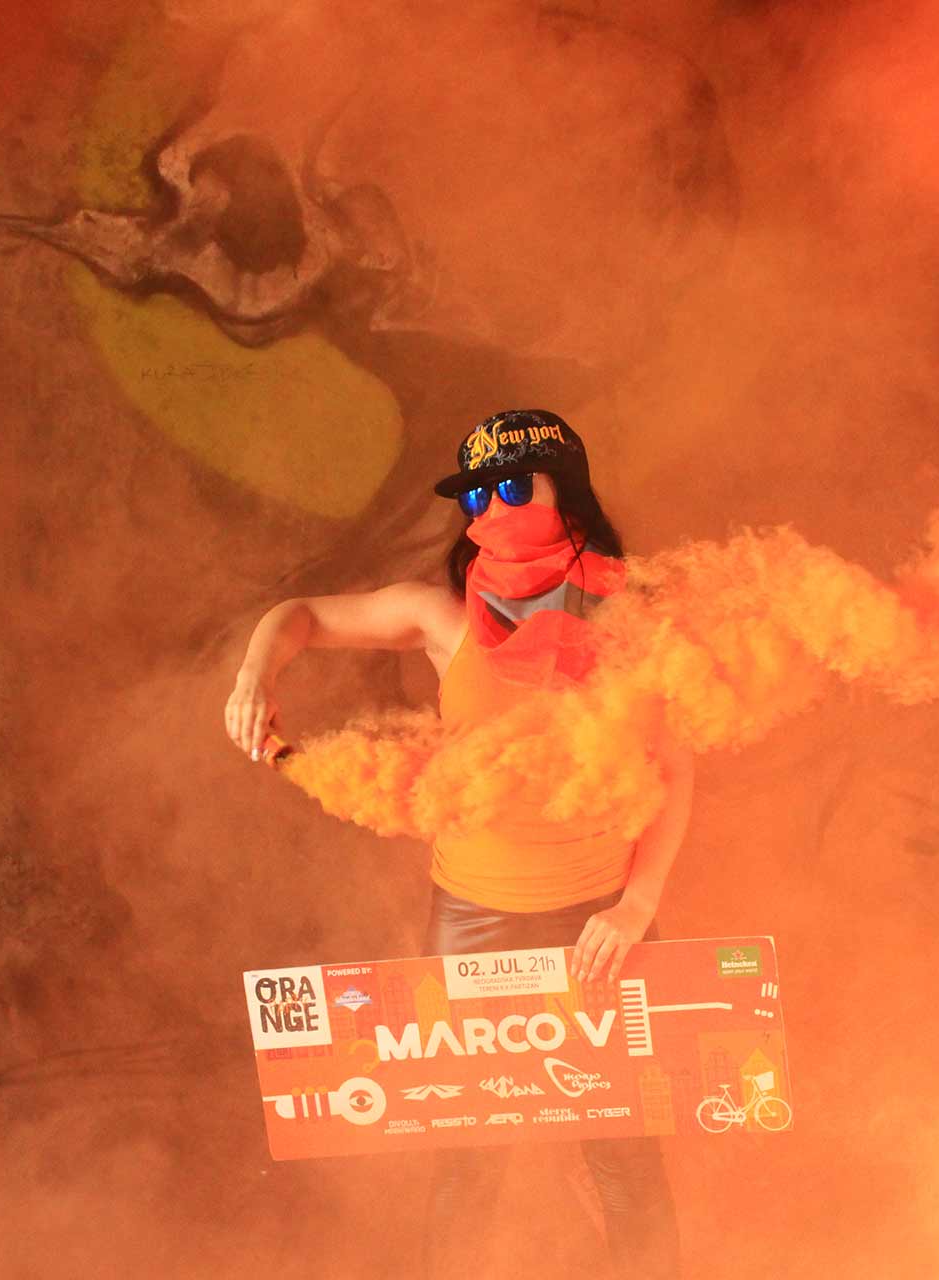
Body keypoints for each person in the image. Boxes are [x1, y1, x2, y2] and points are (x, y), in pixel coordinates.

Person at [225, 409, 692, 1278]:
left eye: (513, 487)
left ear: (566, 493)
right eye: (478, 497)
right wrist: (257, 674)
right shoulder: (442, 617)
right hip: (475, 921)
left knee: (625, 1150)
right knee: (471, 1154)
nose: (493, 510)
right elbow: (298, 616)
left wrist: (636, 905)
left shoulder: (632, 617)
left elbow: (674, 768)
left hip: (600, 921)